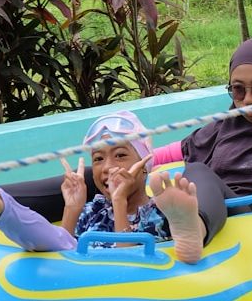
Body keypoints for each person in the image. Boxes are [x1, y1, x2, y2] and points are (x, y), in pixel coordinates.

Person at [2, 38, 252, 262]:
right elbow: (166, 154)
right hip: (193, 192)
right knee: (100, 173)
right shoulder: (223, 127)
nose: (247, 99)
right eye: (237, 89)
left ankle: (194, 233)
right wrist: (122, 163)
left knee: (197, 172)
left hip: (237, 207)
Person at [59, 111, 197, 261]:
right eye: (98, 158)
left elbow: (128, 267)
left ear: (145, 166)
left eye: (120, 155)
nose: (107, 167)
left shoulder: (161, 215)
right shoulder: (91, 212)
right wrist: (71, 208)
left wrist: (119, 201)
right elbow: (58, 261)